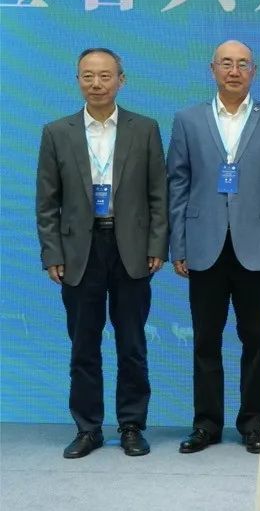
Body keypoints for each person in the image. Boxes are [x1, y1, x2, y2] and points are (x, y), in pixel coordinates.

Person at [36, 48, 167, 459]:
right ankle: (88, 428)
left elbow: (158, 195)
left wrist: (156, 246)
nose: (97, 84)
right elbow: (47, 203)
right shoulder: (57, 132)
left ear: (121, 80)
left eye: (105, 76)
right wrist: (52, 253)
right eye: (88, 76)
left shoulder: (144, 129)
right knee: (83, 345)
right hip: (79, 250)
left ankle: (131, 426)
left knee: (132, 344)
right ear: (78, 80)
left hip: (131, 249)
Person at [167, 40, 260, 454]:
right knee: (206, 340)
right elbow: (178, 186)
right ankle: (206, 424)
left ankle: (254, 424)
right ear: (212, 69)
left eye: (242, 64)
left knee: (255, 340)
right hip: (203, 245)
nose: (234, 71)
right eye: (226, 63)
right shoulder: (188, 120)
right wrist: (178, 246)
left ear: (254, 71)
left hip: (256, 248)